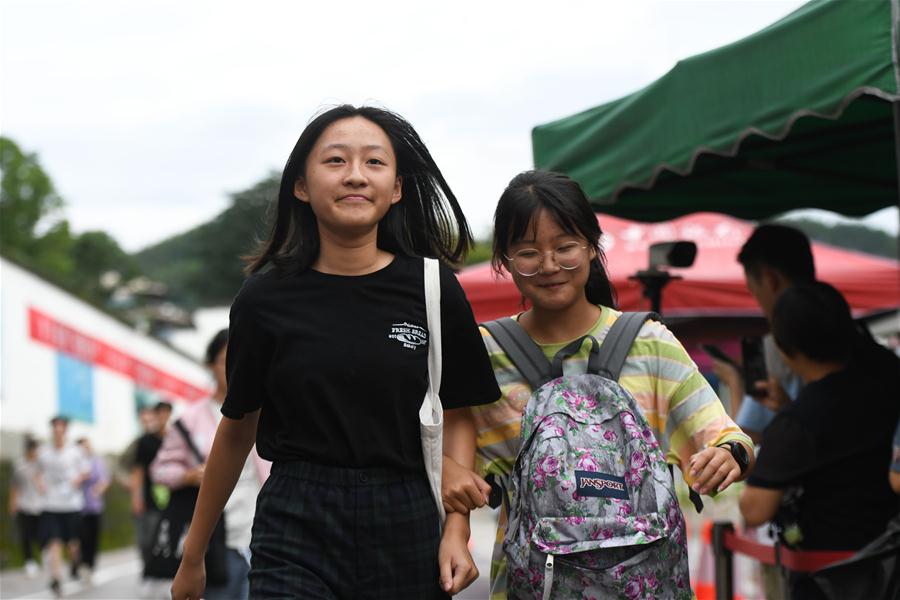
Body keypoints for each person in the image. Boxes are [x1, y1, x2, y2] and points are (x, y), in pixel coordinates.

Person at [171, 105, 500, 600]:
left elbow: (457, 414)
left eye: (373, 162)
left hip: (406, 514)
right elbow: (238, 427)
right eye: (335, 161)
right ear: (301, 186)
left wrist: (456, 530)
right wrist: (194, 554)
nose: (354, 176)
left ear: (396, 189)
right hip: (295, 519)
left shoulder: (433, 288)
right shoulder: (264, 299)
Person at [442, 170, 755, 599]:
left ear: (592, 246)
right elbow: (448, 471)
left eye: (566, 247)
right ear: (505, 259)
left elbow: (727, 436)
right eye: (529, 252)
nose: (550, 265)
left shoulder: (651, 344)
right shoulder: (482, 355)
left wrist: (727, 455)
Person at [739, 282, 900, 600]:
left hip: (830, 581)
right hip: (888, 571)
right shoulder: (886, 388)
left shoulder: (798, 421)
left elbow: (755, 509)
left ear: (784, 350)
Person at [151, 329, 270, 599]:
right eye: (225, 360)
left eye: (241, 358)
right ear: (209, 365)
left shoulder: (268, 412)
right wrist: (189, 475)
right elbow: (160, 469)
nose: (233, 367)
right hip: (217, 540)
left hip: (263, 536)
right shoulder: (190, 419)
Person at [710, 224, 814, 441]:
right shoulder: (860, 344)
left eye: (753, 291)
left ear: (770, 280)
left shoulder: (775, 345)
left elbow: (745, 436)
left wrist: (734, 381)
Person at [36, 416, 90, 597]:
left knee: (72, 543)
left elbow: (86, 471)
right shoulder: (44, 452)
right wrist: (40, 485)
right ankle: (56, 578)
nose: (58, 433)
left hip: (71, 504)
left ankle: (76, 562)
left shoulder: (75, 452)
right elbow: (37, 473)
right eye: (55, 430)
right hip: (51, 504)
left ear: (65, 431)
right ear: (52, 431)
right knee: (54, 541)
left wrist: (78, 479)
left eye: (61, 430)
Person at [72, 437, 109, 583]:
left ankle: (90, 567)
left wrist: (99, 488)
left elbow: (104, 479)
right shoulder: (74, 462)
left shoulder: (96, 461)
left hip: (94, 507)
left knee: (92, 538)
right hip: (76, 507)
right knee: (79, 539)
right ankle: (78, 565)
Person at [9, 436, 44, 578]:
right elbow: (15, 485)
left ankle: (44, 557)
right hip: (24, 504)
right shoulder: (19, 465)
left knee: (41, 534)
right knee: (26, 535)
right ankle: (29, 562)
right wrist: (12, 503)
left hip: (41, 505)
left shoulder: (41, 464)